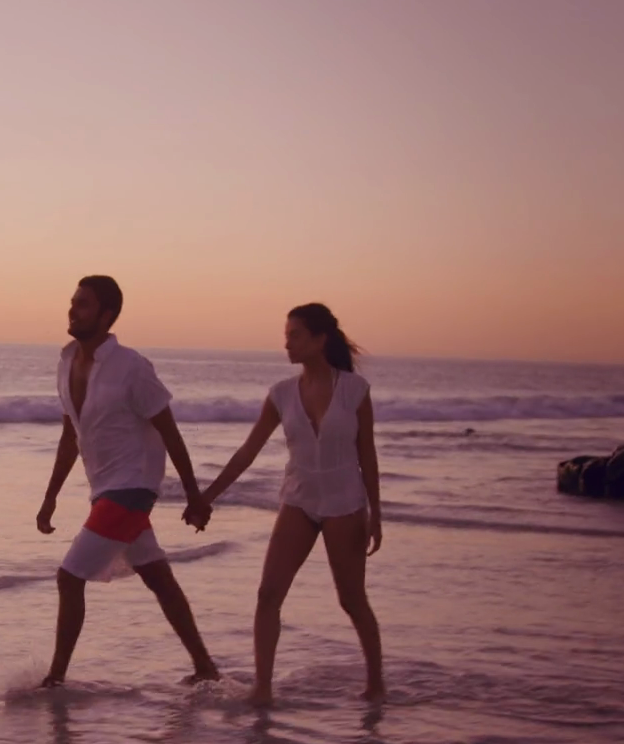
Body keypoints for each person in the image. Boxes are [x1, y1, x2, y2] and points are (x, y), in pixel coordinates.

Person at [35, 275, 221, 688]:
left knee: (69, 577)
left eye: (83, 304)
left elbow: (170, 432)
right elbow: (70, 436)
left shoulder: (132, 368)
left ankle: (55, 680)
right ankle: (205, 667)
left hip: (133, 488)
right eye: (73, 301)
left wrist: (194, 495)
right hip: (104, 489)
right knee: (158, 578)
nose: (73, 310)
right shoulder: (66, 362)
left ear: (106, 315)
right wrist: (50, 497)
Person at [199, 303, 384, 706]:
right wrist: (206, 497)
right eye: (286, 335)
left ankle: (376, 685)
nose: (287, 343)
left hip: (345, 502)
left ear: (319, 340)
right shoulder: (281, 394)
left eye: (295, 335)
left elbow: (367, 455)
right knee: (268, 594)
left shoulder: (355, 390)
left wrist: (375, 513)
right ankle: (262, 689)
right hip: (299, 499)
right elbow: (247, 452)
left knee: (351, 600)